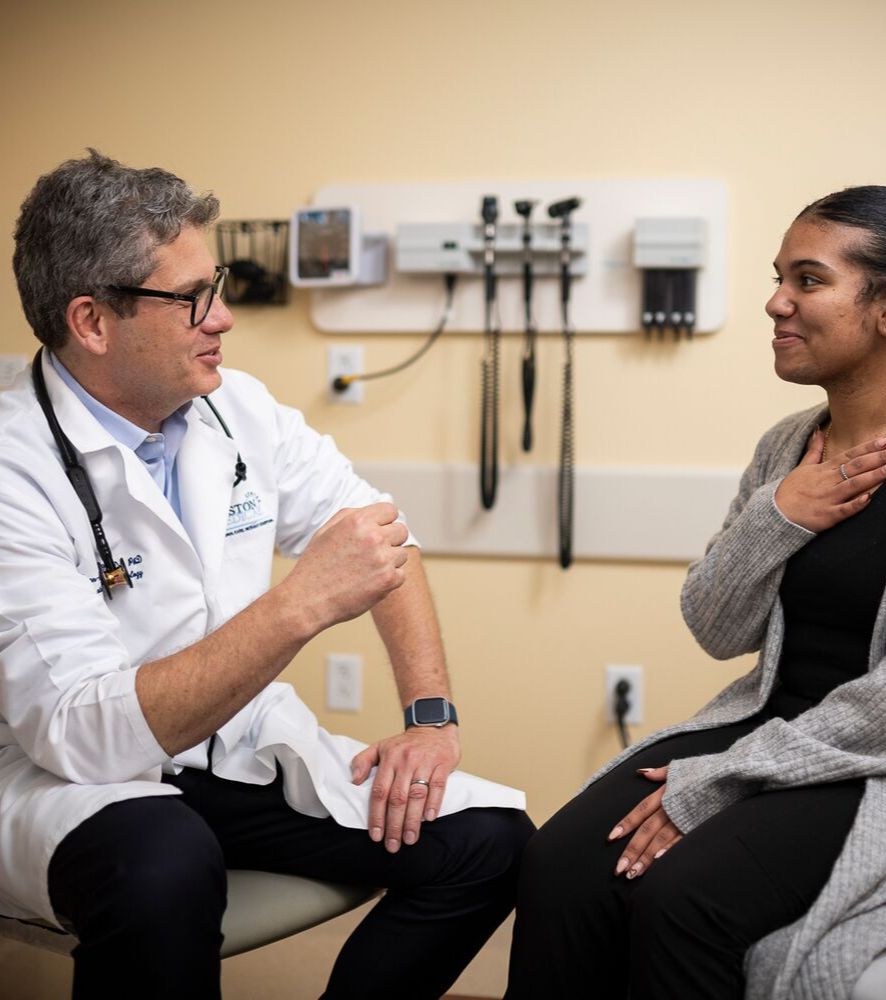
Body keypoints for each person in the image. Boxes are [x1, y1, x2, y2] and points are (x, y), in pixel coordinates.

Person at [0, 150, 533, 1000]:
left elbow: (382, 538)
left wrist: (430, 719)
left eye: (215, 286)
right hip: (70, 781)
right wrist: (301, 604)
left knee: (493, 839)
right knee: (166, 865)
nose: (223, 318)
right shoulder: (13, 465)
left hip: (232, 748)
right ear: (92, 322)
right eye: (191, 299)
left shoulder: (235, 407)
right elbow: (83, 736)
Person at [505, 183, 886, 999]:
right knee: (558, 864)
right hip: (773, 728)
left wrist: (726, 777)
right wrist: (780, 515)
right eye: (780, 278)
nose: (776, 302)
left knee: (682, 899)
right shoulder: (786, 447)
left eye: (809, 280)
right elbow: (717, 626)